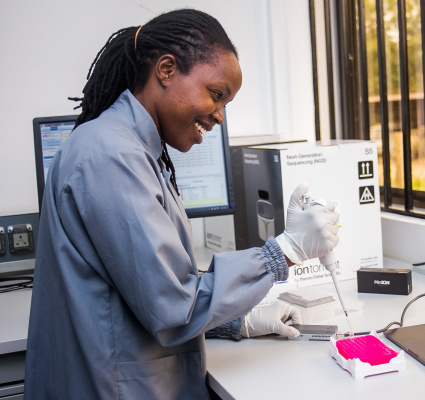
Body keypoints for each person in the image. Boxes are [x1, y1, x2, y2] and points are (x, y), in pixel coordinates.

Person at [24, 9, 339, 400]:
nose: (220, 116)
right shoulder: (112, 156)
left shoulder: (133, 150)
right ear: (167, 70)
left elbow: (141, 292)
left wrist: (234, 322)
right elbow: (172, 307)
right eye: (217, 94)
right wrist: (284, 252)